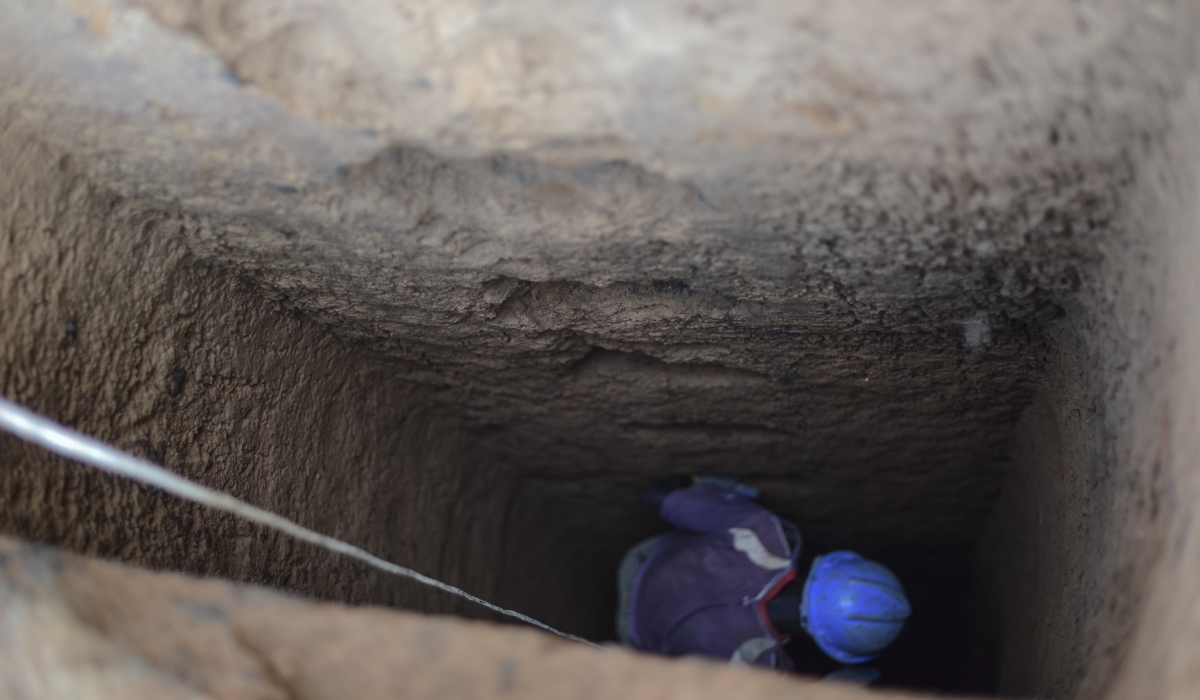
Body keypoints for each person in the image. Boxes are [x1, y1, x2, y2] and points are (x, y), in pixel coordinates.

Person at [616, 475, 911, 675]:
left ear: (824, 569)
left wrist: (707, 491)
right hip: (632, 640)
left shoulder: (762, 529)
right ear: (823, 643)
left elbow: (654, 495)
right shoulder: (761, 671)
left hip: (637, 562)